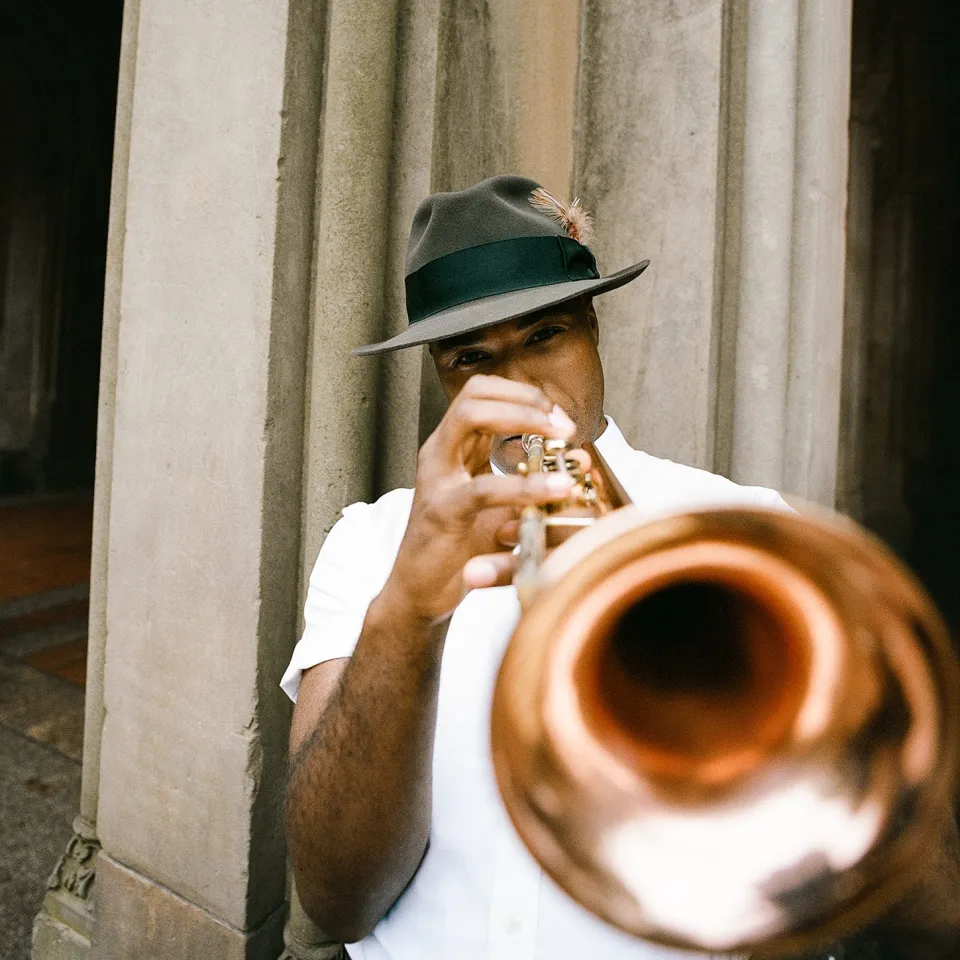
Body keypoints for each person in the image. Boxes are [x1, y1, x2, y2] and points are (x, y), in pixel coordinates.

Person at [282, 175, 960, 960]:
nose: (524, 389)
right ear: (441, 376)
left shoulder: (747, 531)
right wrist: (405, 612)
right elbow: (336, 899)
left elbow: (934, 913)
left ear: (592, 328)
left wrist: (757, 696)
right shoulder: (370, 543)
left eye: (545, 337)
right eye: (473, 357)